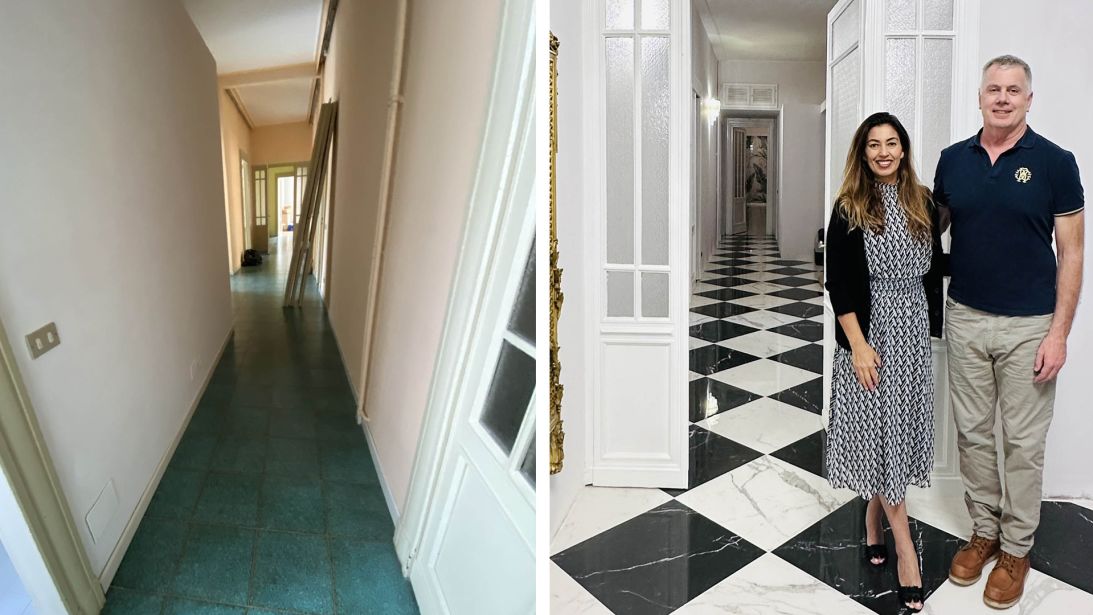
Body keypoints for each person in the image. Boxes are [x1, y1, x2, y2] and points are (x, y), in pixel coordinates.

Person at [934, 55, 1084, 610]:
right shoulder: (953, 160)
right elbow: (928, 231)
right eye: (993, 89)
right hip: (965, 317)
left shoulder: (1056, 163)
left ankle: (1017, 548)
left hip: (1030, 326)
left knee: (1022, 443)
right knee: (973, 435)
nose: (1002, 98)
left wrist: (1059, 334)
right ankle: (985, 532)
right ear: (979, 97)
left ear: (1028, 99)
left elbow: (1072, 253)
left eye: (1013, 90)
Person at [825, 111, 945, 613]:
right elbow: (839, 282)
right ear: (862, 151)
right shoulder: (849, 207)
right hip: (871, 334)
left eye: (891, 143)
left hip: (911, 333)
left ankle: (872, 518)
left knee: (895, 433)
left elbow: (935, 266)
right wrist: (858, 345)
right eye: (873, 144)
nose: (883, 152)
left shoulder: (923, 201)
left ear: (904, 148)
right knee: (880, 431)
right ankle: (905, 551)